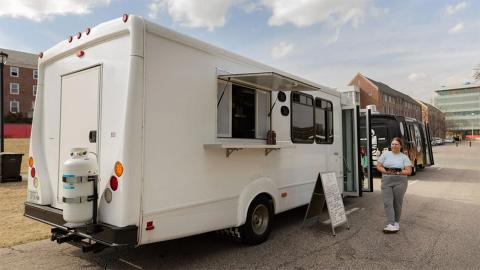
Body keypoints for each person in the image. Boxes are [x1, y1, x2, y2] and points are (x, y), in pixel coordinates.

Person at [376, 137, 412, 233]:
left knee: (397, 203)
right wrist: (387, 171)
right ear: (390, 145)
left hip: (400, 181)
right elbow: (378, 166)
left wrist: (397, 172)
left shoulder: (404, 157)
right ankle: (391, 223)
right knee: (387, 202)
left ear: (400, 146)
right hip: (386, 181)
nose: (394, 146)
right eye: (392, 144)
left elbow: (409, 171)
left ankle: (396, 222)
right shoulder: (385, 154)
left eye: (396, 144)